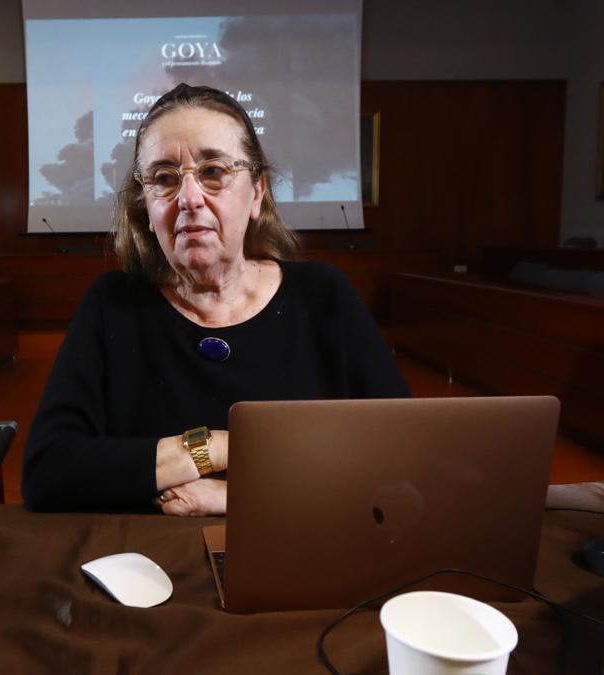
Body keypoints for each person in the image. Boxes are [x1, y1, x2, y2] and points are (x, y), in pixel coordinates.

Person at [22, 83, 409, 516]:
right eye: (164, 179)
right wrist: (215, 448)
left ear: (257, 193)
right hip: (146, 569)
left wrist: (234, 497)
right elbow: (47, 472)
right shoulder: (112, 305)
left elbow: (400, 462)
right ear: (146, 208)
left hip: (302, 555)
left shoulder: (323, 298)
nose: (189, 199)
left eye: (213, 173)